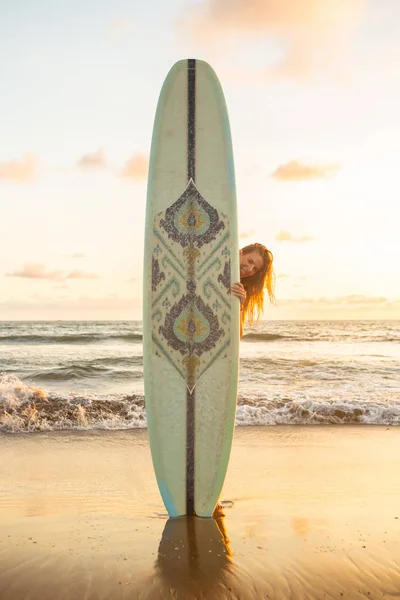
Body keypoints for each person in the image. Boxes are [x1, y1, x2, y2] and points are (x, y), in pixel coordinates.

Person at [231, 243, 275, 337]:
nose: (250, 270)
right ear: (240, 253)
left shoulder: (243, 291)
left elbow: (239, 334)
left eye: (255, 269)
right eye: (250, 261)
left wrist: (240, 304)